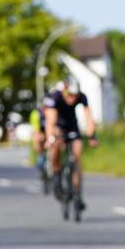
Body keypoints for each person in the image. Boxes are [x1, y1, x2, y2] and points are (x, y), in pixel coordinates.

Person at [43, 77, 97, 212]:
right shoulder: (55, 97)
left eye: (75, 95)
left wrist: (92, 135)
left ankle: (78, 195)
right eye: (70, 95)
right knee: (56, 145)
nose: (72, 98)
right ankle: (56, 175)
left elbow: (89, 118)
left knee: (77, 155)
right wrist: (50, 138)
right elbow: (50, 121)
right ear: (64, 91)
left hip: (72, 127)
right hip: (58, 126)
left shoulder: (82, 97)